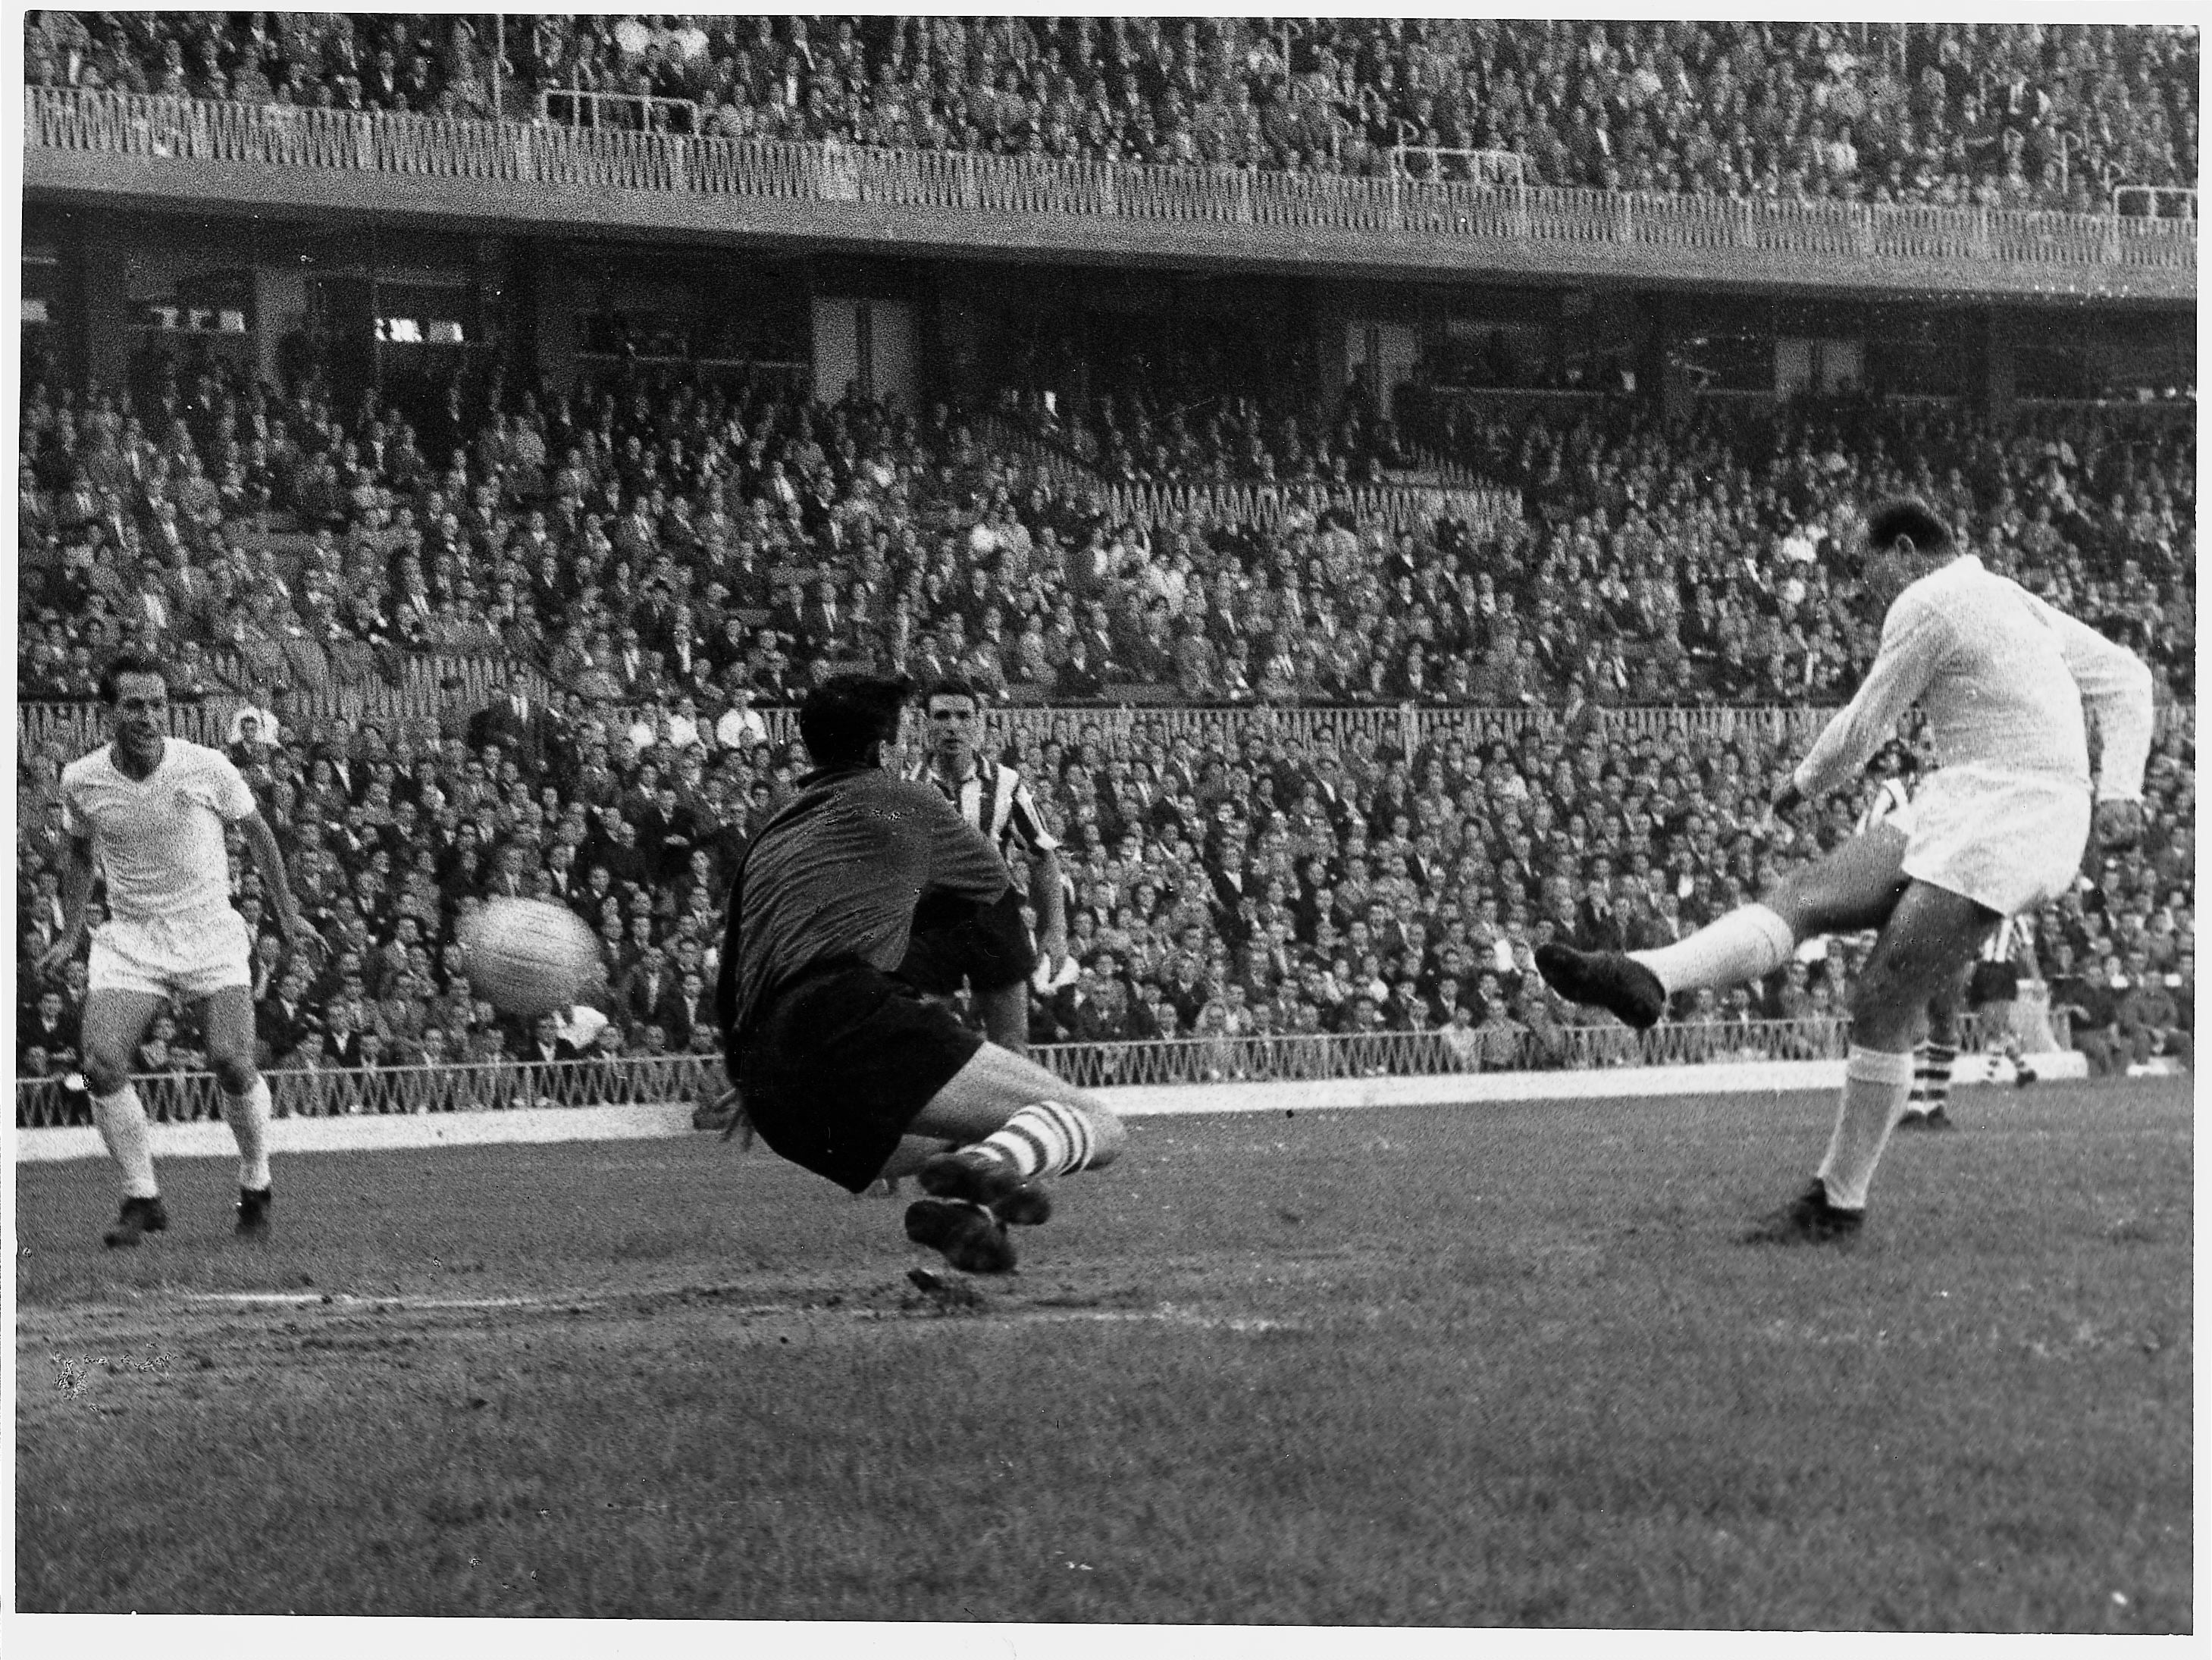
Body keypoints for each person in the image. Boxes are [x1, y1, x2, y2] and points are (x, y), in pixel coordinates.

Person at [1537, 500, 2153, 1243]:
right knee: (1804, 895)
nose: (1866, 587)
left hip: (2019, 812)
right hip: (1964, 795)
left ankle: (1836, 1203)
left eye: (1868, 569)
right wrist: (2120, 791)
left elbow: (1864, 723)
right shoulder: (2011, 599)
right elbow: (2127, 677)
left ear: (1904, 550)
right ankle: (1645, 974)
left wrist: (1801, 784)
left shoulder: (1930, 599)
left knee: (1884, 994)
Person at [715, 674, 1123, 1275]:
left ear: (808, 746)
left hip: (771, 1088)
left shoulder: (770, 835)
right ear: (887, 744)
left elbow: (732, 967)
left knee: (961, 1131)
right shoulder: (901, 799)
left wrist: (748, 1072)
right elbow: (988, 887)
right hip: (847, 1010)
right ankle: (995, 1169)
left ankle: (967, 1218)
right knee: (1098, 1125)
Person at [37, 650, 325, 1247]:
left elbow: (259, 835)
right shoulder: (82, 779)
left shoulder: (206, 766)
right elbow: (80, 852)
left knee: (232, 1060)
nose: (148, 717)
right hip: (134, 938)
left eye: (157, 705)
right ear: (109, 712)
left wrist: (288, 914)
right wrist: (69, 933)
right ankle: (141, 1196)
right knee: (100, 1064)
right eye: (134, 705)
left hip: (209, 932)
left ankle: (256, 1183)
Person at [898, 676, 1070, 1054]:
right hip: (928, 917)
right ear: (925, 723)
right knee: (925, 1043)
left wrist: (1056, 928)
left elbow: (1042, 856)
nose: (953, 726)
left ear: (978, 723)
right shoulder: (905, 786)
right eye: (942, 716)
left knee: (1011, 1041)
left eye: (963, 716)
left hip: (991, 912)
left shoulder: (1006, 783)